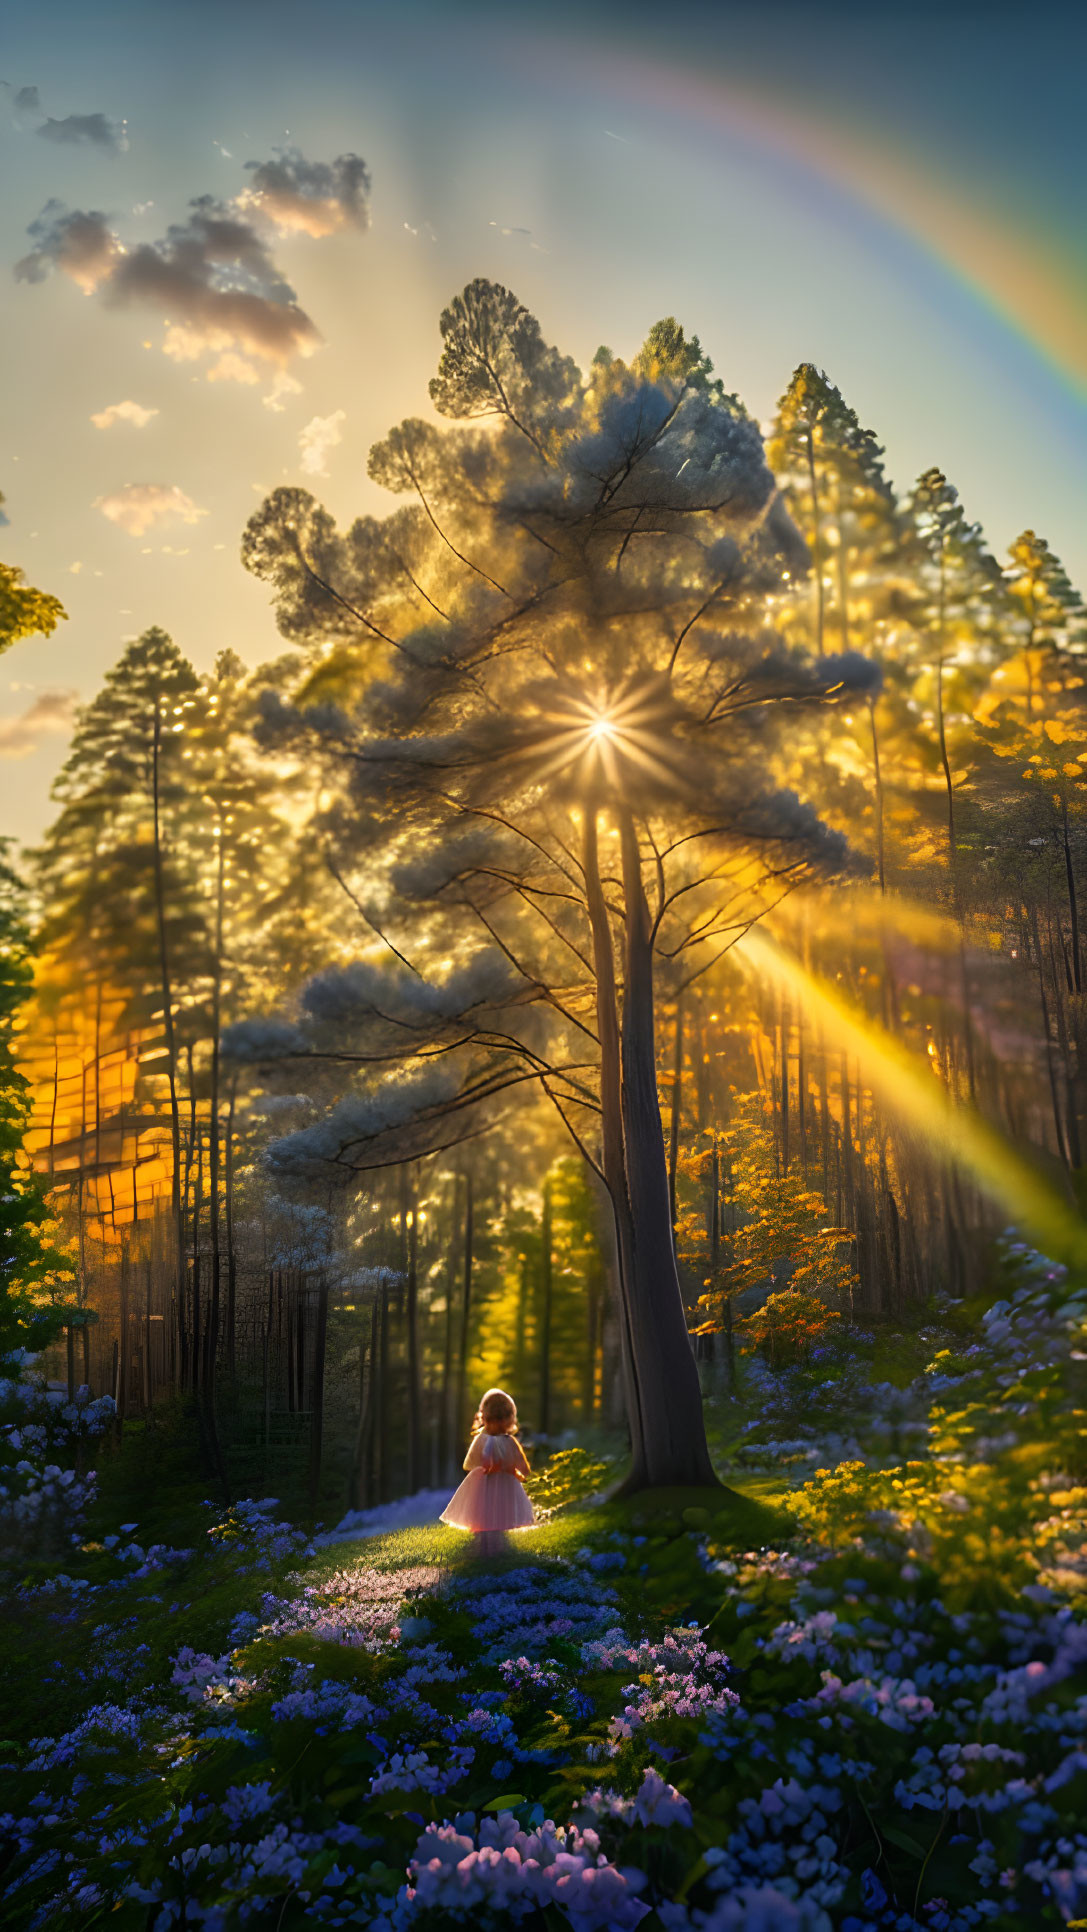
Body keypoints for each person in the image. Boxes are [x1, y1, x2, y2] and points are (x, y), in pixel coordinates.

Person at [440, 1386, 534, 1555]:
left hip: (486, 1485)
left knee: (488, 1515)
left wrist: (504, 1469)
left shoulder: (485, 1440)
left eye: (500, 1420)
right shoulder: (507, 1441)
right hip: (495, 1485)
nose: (498, 1424)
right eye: (497, 1420)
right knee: (492, 1514)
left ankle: (490, 1548)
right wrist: (509, 1469)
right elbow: (523, 1468)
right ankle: (489, 1548)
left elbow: (470, 1464)